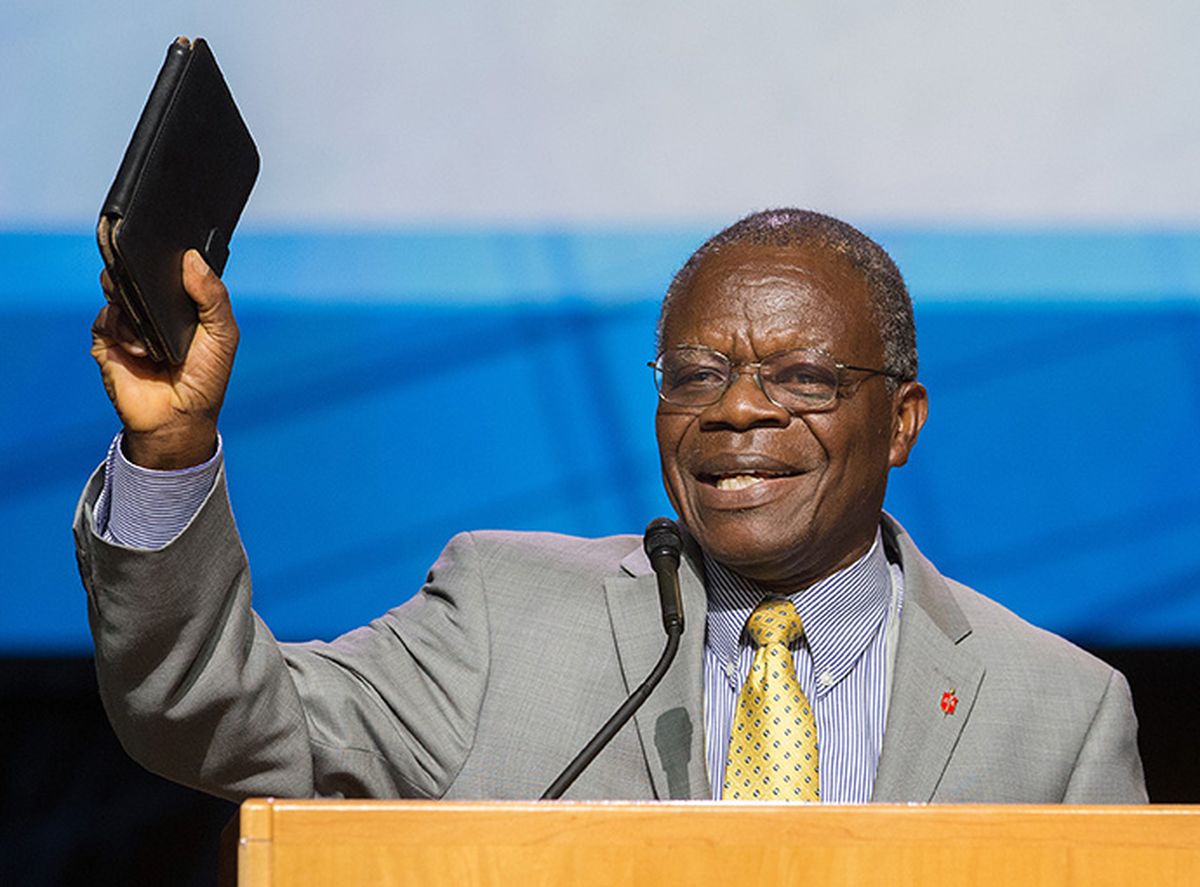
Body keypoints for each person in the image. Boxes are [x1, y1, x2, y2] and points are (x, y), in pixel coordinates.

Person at [75, 209, 1147, 803]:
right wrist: (170, 448)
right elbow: (209, 715)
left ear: (902, 419)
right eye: (692, 375)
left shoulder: (1058, 712)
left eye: (801, 379)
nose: (734, 409)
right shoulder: (501, 616)